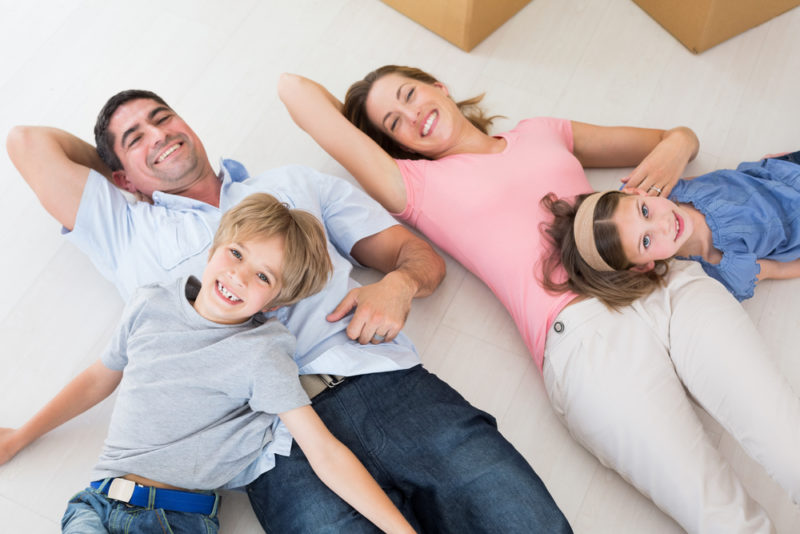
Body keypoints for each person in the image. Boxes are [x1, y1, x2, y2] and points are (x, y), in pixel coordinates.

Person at [6, 89, 572, 533]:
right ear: (120, 176)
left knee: (524, 521)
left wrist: (397, 285)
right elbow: (28, 142)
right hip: (270, 444)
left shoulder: (294, 185)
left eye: (163, 118)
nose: (159, 134)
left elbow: (414, 255)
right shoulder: (125, 228)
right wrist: (121, 176)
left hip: (384, 385)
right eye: (136, 137)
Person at [277, 66, 800, 534]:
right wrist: (363, 116)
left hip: (663, 285)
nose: (414, 114)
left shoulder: (540, 131)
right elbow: (295, 91)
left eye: (411, 94)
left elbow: (675, 137)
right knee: (719, 515)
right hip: (582, 340)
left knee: (785, 434)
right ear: (396, 149)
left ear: (439, 86)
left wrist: (676, 145)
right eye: (393, 122)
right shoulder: (414, 184)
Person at [0, 193, 418, 534]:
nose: (239, 276)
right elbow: (98, 378)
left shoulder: (261, 353)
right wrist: (19, 437)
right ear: (215, 247)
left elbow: (324, 452)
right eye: (236, 254)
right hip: (95, 502)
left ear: (275, 303)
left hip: (173, 520)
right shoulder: (151, 301)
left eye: (263, 277)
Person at [540, 153, 800, 305]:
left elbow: (731, 183)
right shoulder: (728, 270)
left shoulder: (674, 189)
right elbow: (778, 268)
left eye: (644, 211)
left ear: (635, 192)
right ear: (642, 266)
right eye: (645, 241)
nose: (663, 224)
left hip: (784, 171)